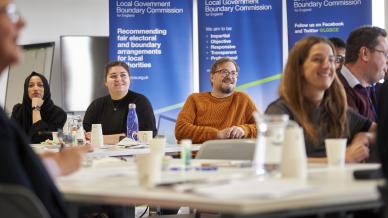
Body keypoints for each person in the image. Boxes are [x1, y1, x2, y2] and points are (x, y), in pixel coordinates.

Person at [0, 2, 89, 217]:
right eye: (8, 13)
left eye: (40, 85)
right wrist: (58, 165)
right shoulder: (17, 111)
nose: (22, 22)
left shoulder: (57, 112)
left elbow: (16, 159)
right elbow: (18, 191)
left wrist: (52, 162)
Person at [266, 36, 376, 163]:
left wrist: (365, 136)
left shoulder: (336, 110)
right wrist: (340, 160)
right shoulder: (279, 111)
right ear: (299, 67)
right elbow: (276, 160)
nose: (327, 66)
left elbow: (380, 131)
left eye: (331, 60)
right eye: (317, 59)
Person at [175, 57, 258, 144]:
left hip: (233, 156)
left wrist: (244, 130)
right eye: (224, 72)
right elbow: (181, 130)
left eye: (233, 73)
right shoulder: (194, 99)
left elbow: (264, 128)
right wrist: (217, 134)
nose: (229, 76)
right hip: (199, 156)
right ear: (212, 76)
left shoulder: (243, 99)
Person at [83, 61, 157, 144]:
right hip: (100, 155)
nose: (118, 79)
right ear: (105, 82)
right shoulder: (96, 105)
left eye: (123, 75)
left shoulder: (141, 101)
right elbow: (85, 135)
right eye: (113, 76)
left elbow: (146, 135)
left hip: (132, 154)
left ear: (130, 79)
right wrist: (123, 136)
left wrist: (100, 138)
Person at [338, 26, 388, 122]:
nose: (387, 61)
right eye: (385, 54)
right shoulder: (337, 90)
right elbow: (354, 133)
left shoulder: (372, 88)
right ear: (365, 54)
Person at [11, 71, 67, 143]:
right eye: (31, 85)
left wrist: (36, 109)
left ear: (46, 89)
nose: (35, 89)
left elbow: (41, 139)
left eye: (40, 85)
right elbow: (11, 139)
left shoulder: (58, 114)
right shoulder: (18, 111)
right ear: (26, 90)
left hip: (48, 153)